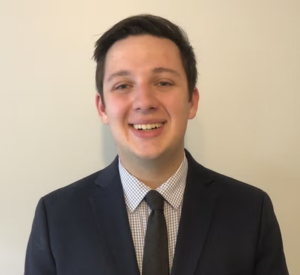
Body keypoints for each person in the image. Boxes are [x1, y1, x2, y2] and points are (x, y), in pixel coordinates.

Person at [25, 14, 289, 275]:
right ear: (102, 107)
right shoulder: (57, 216)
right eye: (123, 85)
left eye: (163, 82)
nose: (144, 101)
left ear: (192, 101)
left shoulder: (251, 211)